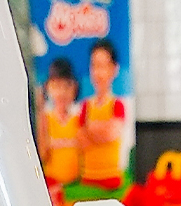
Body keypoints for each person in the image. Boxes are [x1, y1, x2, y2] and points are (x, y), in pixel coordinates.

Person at [79, 39, 128, 190]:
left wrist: (91, 129)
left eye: (103, 66)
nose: (98, 73)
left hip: (111, 180)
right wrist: (101, 129)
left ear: (114, 69)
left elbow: (111, 134)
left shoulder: (117, 105)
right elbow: (81, 141)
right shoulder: (86, 106)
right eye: (94, 66)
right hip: (88, 178)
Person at [36, 58, 82, 187]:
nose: (61, 93)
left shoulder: (78, 119)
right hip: (52, 185)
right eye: (56, 86)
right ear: (47, 88)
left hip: (76, 184)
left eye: (66, 86)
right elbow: (43, 153)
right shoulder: (45, 118)